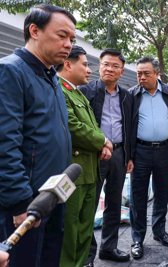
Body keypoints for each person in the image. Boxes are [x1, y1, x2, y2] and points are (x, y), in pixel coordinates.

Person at [0, 4, 75, 267]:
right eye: (62, 35)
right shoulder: (10, 71)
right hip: (27, 203)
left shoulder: (50, 75)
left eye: (72, 39)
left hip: (52, 196)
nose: (68, 44)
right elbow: (4, 143)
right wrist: (20, 203)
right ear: (34, 30)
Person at [56, 45, 113, 267]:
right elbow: (73, 126)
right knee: (70, 232)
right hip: (71, 173)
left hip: (89, 171)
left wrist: (102, 143)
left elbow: (92, 125)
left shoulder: (76, 92)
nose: (89, 70)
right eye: (85, 64)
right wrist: (103, 141)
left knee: (84, 230)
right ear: (68, 64)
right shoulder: (59, 90)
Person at [81, 49, 133, 266]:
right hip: (95, 154)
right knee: (89, 205)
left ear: (121, 71)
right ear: (98, 66)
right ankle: (87, 255)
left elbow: (130, 126)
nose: (109, 69)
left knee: (114, 202)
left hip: (119, 154)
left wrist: (129, 156)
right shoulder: (86, 91)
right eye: (106, 64)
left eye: (115, 66)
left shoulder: (127, 96)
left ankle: (108, 248)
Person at [129, 56, 168, 260]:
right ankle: (137, 239)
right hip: (140, 152)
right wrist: (129, 155)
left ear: (157, 74)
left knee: (162, 192)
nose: (141, 77)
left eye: (146, 73)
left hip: (164, 151)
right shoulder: (131, 95)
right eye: (139, 73)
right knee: (138, 196)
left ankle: (159, 231)